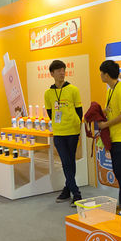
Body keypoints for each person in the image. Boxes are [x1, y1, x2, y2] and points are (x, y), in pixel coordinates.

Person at [96, 60, 121, 210]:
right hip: (114, 137)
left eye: (101, 73)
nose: (100, 75)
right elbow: (109, 110)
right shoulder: (110, 90)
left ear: (106, 75)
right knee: (119, 170)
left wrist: (105, 125)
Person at [44, 60, 83, 203]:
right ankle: (75, 192)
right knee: (66, 161)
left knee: (70, 161)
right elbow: (50, 113)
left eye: (63, 70)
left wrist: (75, 124)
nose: (62, 73)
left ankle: (68, 190)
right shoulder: (48, 93)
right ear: (52, 73)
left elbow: (79, 111)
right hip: (59, 133)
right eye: (59, 70)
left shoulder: (73, 90)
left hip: (72, 131)